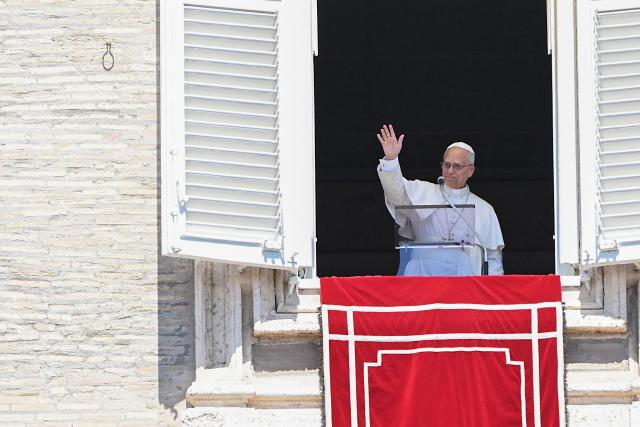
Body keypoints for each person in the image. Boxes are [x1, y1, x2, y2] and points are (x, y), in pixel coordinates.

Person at [376, 124, 504, 276]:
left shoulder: (484, 209)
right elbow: (395, 193)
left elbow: (493, 258)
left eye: (456, 166)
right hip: (421, 275)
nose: (450, 170)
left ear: (471, 170)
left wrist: (491, 294)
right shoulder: (423, 191)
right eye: (446, 164)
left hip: (463, 278)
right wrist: (391, 160)